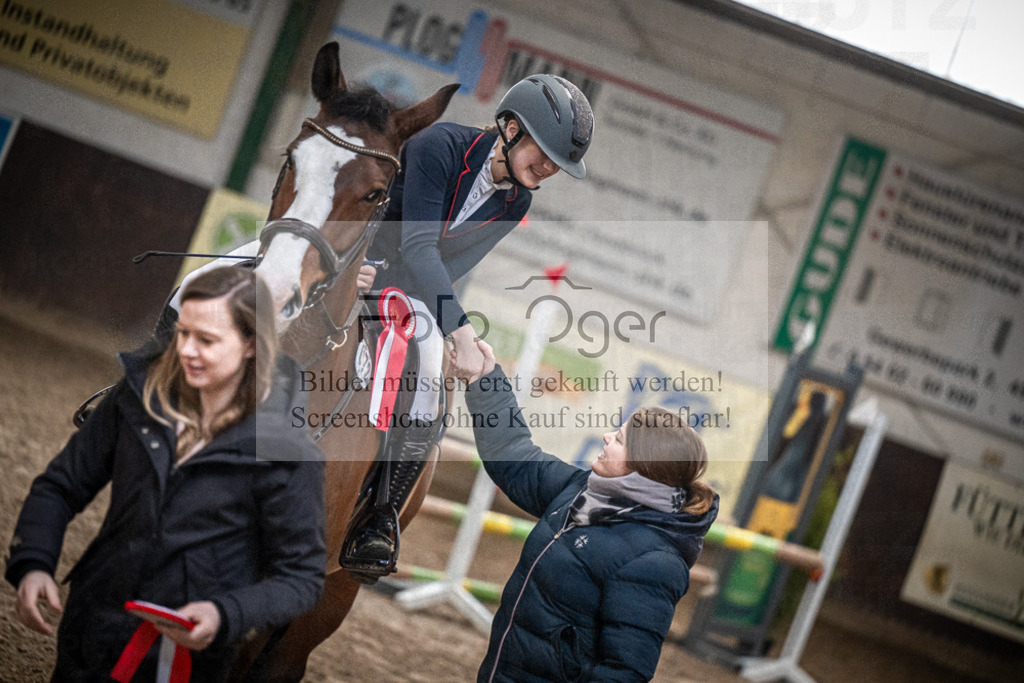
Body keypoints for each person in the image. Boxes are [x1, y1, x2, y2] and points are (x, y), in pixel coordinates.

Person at [5, 267, 327, 681]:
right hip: (92, 627)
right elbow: (60, 485)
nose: (187, 350)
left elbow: (301, 577)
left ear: (251, 344)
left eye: (207, 340)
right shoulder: (136, 396)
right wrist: (34, 560)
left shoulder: (290, 454)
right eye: (182, 333)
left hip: (189, 660)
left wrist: (226, 613)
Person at [345, 74, 595, 571]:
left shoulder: (516, 201)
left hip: (404, 293)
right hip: (350, 259)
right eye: (545, 153)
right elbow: (419, 245)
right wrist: (461, 331)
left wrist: (451, 335)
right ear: (510, 129)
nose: (549, 168)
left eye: (558, 163)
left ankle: (380, 517)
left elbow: (450, 266)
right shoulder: (440, 145)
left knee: (429, 372)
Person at [462, 341, 719, 682]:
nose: (606, 437)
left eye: (620, 439)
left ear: (644, 465)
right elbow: (515, 456)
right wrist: (485, 379)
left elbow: (625, 672)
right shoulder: (581, 490)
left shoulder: (655, 562)